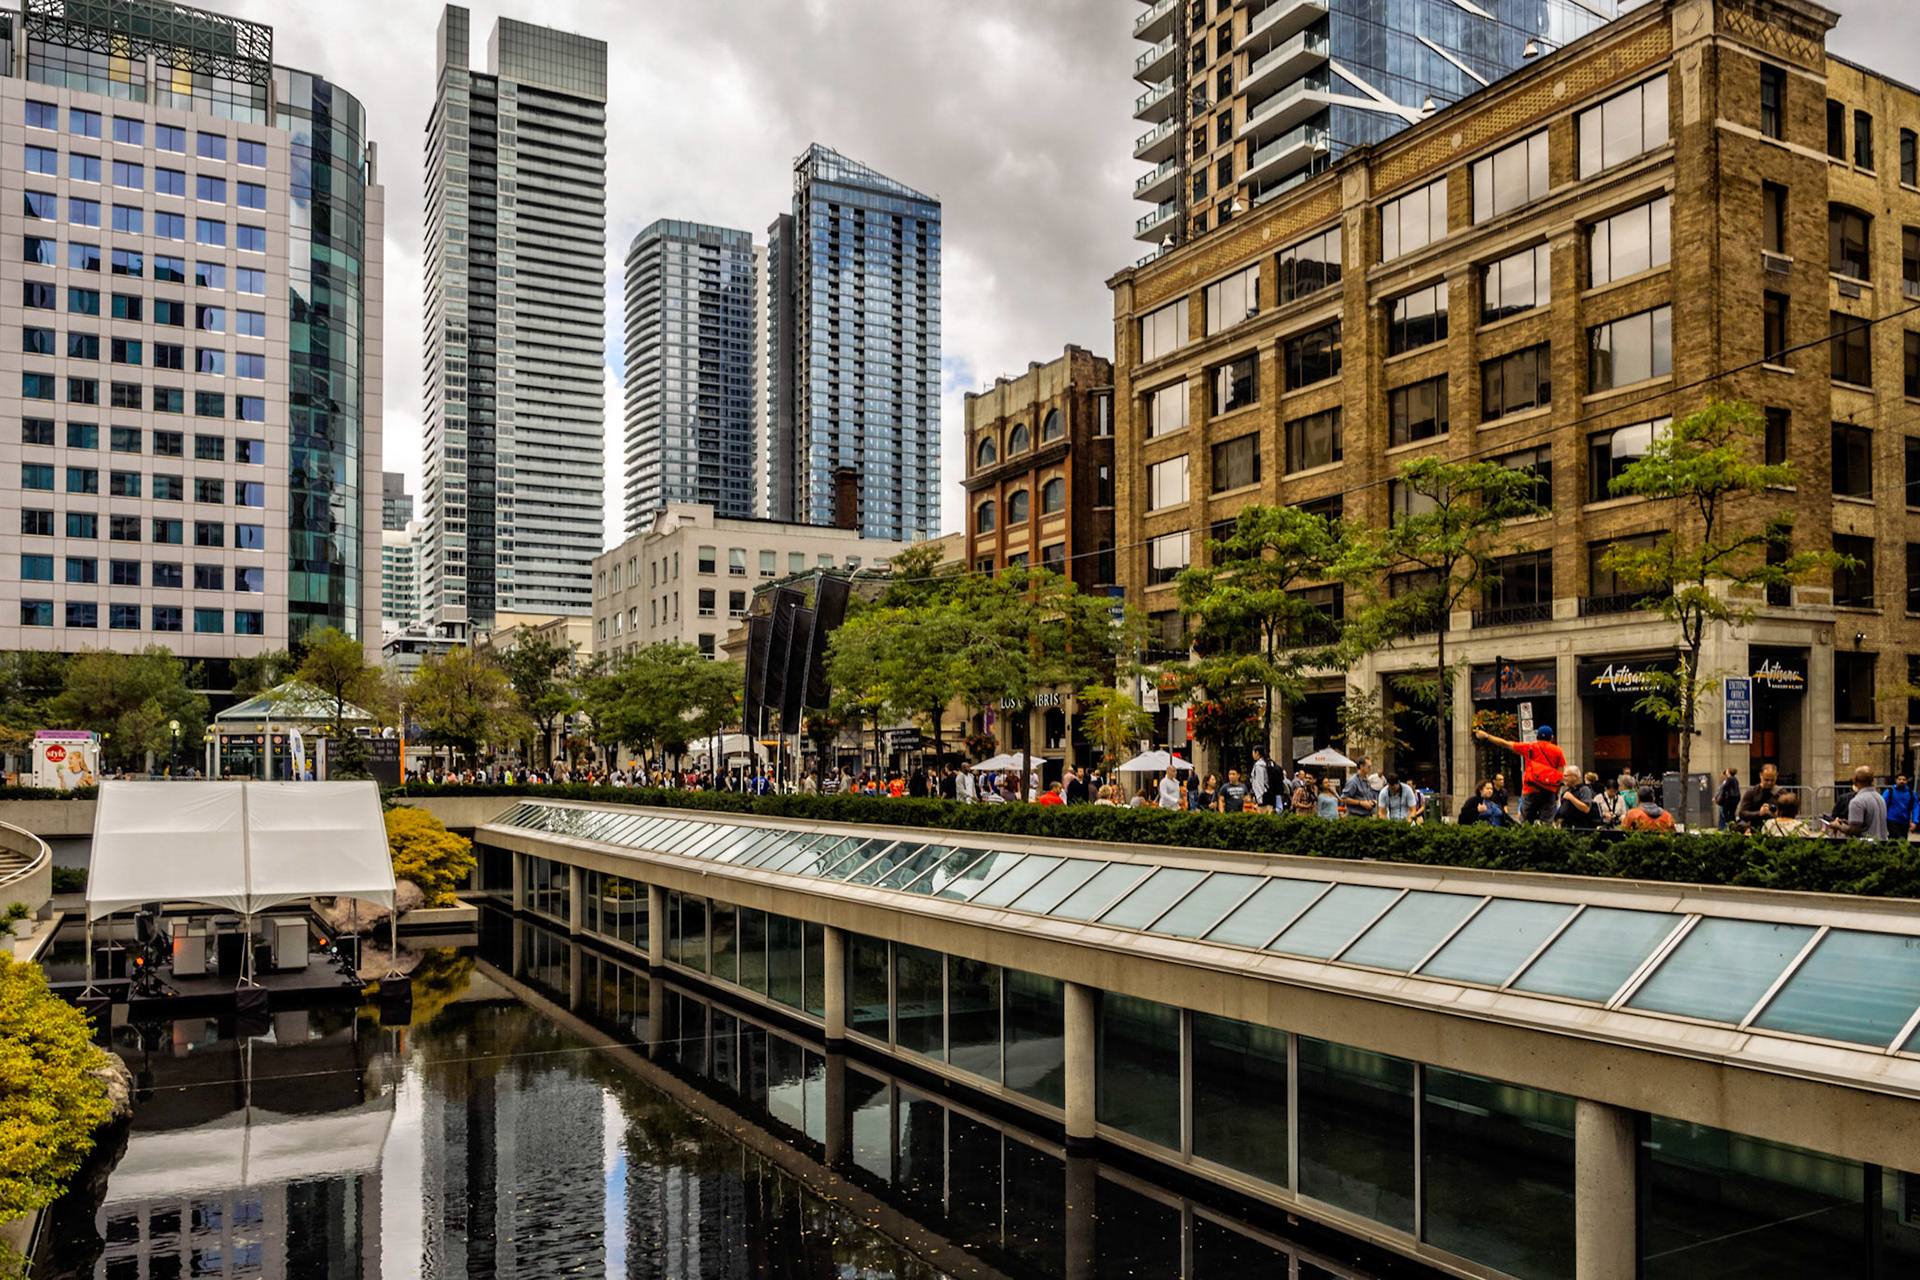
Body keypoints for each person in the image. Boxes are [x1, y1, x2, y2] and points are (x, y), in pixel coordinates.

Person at [1473, 725, 1567, 825]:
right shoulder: (1558, 751)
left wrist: (1487, 735)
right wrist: (1556, 793)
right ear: (1551, 738)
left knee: (1526, 822)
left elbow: (1505, 743)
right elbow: (1560, 776)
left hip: (1530, 789)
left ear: (1537, 737)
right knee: (1546, 823)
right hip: (1548, 791)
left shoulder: (1530, 747)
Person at [1832, 765, 1889, 839]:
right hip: (1881, 843)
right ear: (1872, 781)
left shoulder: (1857, 801)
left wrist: (1837, 826)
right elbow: (1870, 823)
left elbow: (1854, 830)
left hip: (1864, 845)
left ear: (1855, 780)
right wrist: (1849, 822)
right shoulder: (1880, 798)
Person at [1736, 763, 1779, 827]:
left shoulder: (1781, 793)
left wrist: (1777, 814)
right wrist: (1759, 813)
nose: (1769, 783)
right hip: (1756, 828)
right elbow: (1742, 813)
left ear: (1776, 776)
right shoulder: (1751, 792)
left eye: (1772, 780)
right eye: (1766, 780)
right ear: (1760, 775)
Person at [1887, 774, 1915, 842]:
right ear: (1896, 781)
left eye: (1904, 779)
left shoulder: (1911, 793)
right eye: (1899, 779)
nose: (1901, 781)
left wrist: (1914, 821)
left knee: (1903, 839)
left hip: (1904, 821)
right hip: (1892, 820)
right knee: (1895, 839)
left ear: (1906, 781)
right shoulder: (1890, 791)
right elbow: (1882, 803)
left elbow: (1915, 807)